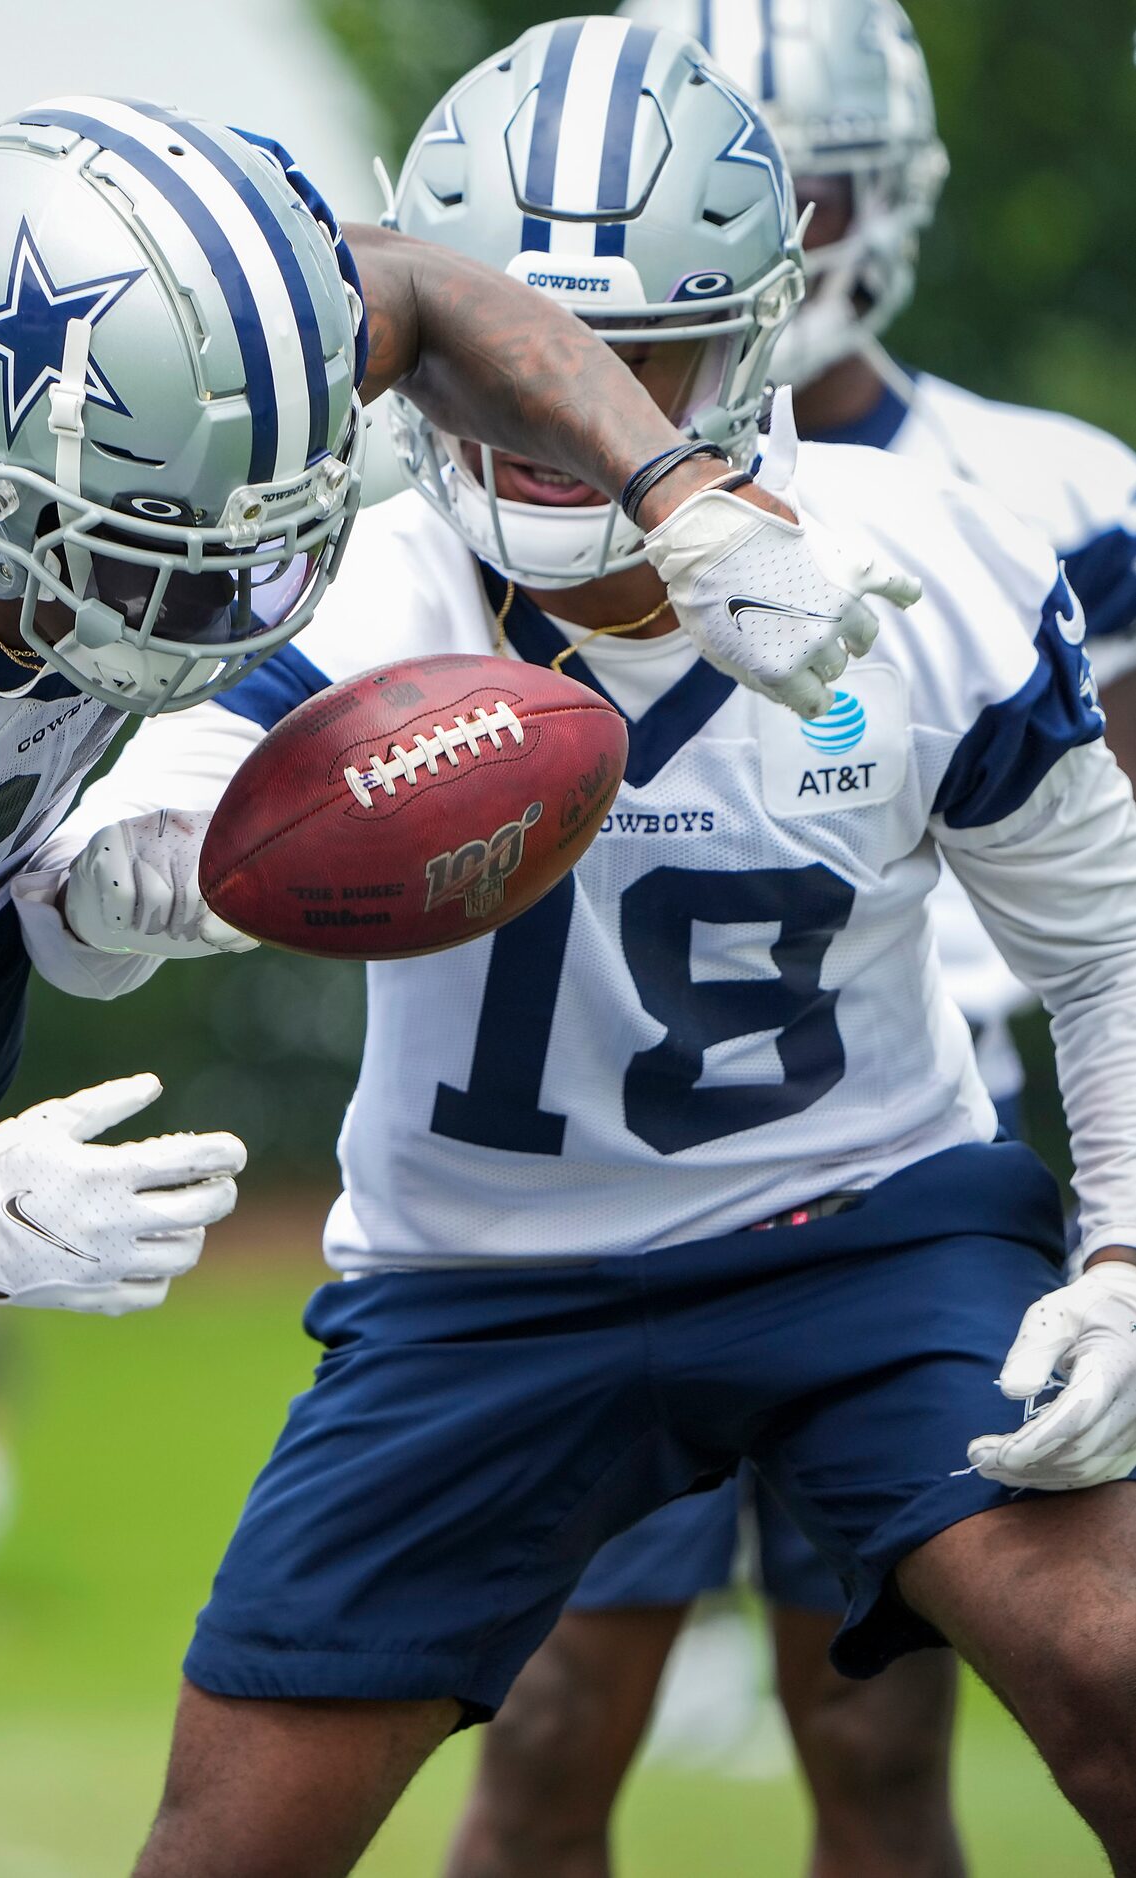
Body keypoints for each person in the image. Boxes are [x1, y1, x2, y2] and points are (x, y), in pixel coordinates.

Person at [0, 99, 889, 1842]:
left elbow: (426, 290)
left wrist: (677, 496)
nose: (218, 598)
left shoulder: (210, 362)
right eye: (148, 540)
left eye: (247, 521)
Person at [27, 25, 1136, 1877]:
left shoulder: (928, 560)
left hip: (855, 1228)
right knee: (227, 1849)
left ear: (761, 337)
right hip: (479, 1280)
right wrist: (122, 879)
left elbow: (1104, 948)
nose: (567, 416)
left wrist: (1122, 1251)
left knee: (1110, 1679)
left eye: (647, 357)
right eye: (535, 358)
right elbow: (89, 905)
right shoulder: (354, 585)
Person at [430, 2, 1136, 1870]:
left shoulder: (1034, 491)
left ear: (875, 198)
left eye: (803, 185)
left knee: (881, 1740)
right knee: (554, 1720)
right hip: (575, 1153)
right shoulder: (472, 497)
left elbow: (1112, 890)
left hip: (900, 1143)